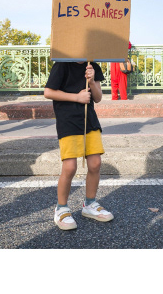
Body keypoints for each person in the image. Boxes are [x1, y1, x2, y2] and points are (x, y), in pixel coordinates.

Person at [43, 60, 114, 229]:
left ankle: (90, 204)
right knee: (70, 167)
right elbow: (48, 92)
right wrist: (76, 97)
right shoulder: (62, 64)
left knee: (95, 163)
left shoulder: (93, 66)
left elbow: (98, 98)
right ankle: (61, 209)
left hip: (89, 119)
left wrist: (91, 82)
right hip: (67, 120)